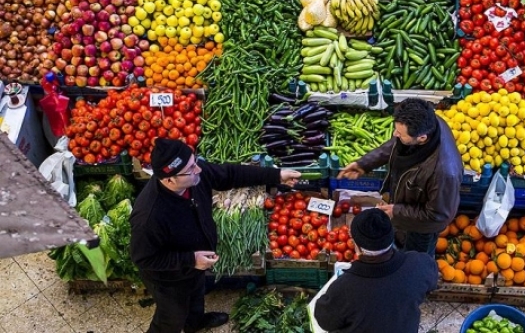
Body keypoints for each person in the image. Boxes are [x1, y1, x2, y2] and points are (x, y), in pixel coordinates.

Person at [130, 138, 301, 333]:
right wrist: (190, 259)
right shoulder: (149, 216)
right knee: (171, 316)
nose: (199, 170)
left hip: (195, 264)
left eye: (195, 162)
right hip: (169, 279)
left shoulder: (193, 176)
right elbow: (143, 259)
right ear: (170, 180)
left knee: (196, 295)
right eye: (191, 169)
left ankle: (195, 323)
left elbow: (229, 174)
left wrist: (276, 175)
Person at [338, 98, 463, 255]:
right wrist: (364, 164)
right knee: (400, 242)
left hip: (422, 228)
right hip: (407, 205)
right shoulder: (428, 122)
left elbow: (438, 216)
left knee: (415, 258)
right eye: (396, 129)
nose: (395, 134)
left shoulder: (444, 173)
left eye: (401, 133)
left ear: (422, 138)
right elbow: (396, 144)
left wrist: (397, 211)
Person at [313, 208, 438, 332]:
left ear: (357, 246)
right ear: (391, 236)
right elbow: (431, 283)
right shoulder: (420, 264)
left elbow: (325, 321)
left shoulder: (344, 288)